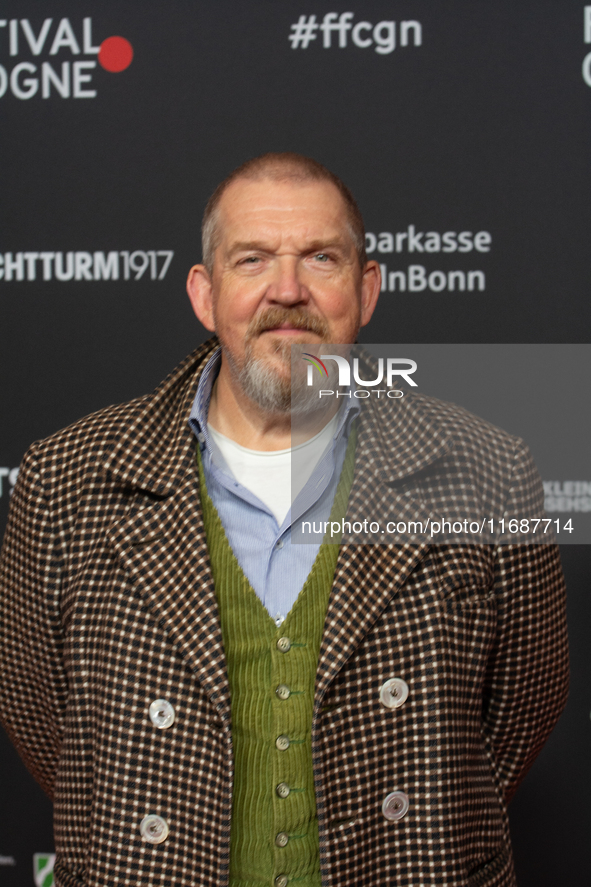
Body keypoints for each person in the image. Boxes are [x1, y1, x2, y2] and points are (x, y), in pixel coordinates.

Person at [0, 153, 568, 887]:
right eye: (253, 259)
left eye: (321, 258)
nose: (288, 290)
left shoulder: (489, 471)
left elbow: (519, 711)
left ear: (365, 290)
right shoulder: (63, 479)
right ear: (205, 295)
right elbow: (47, 724)